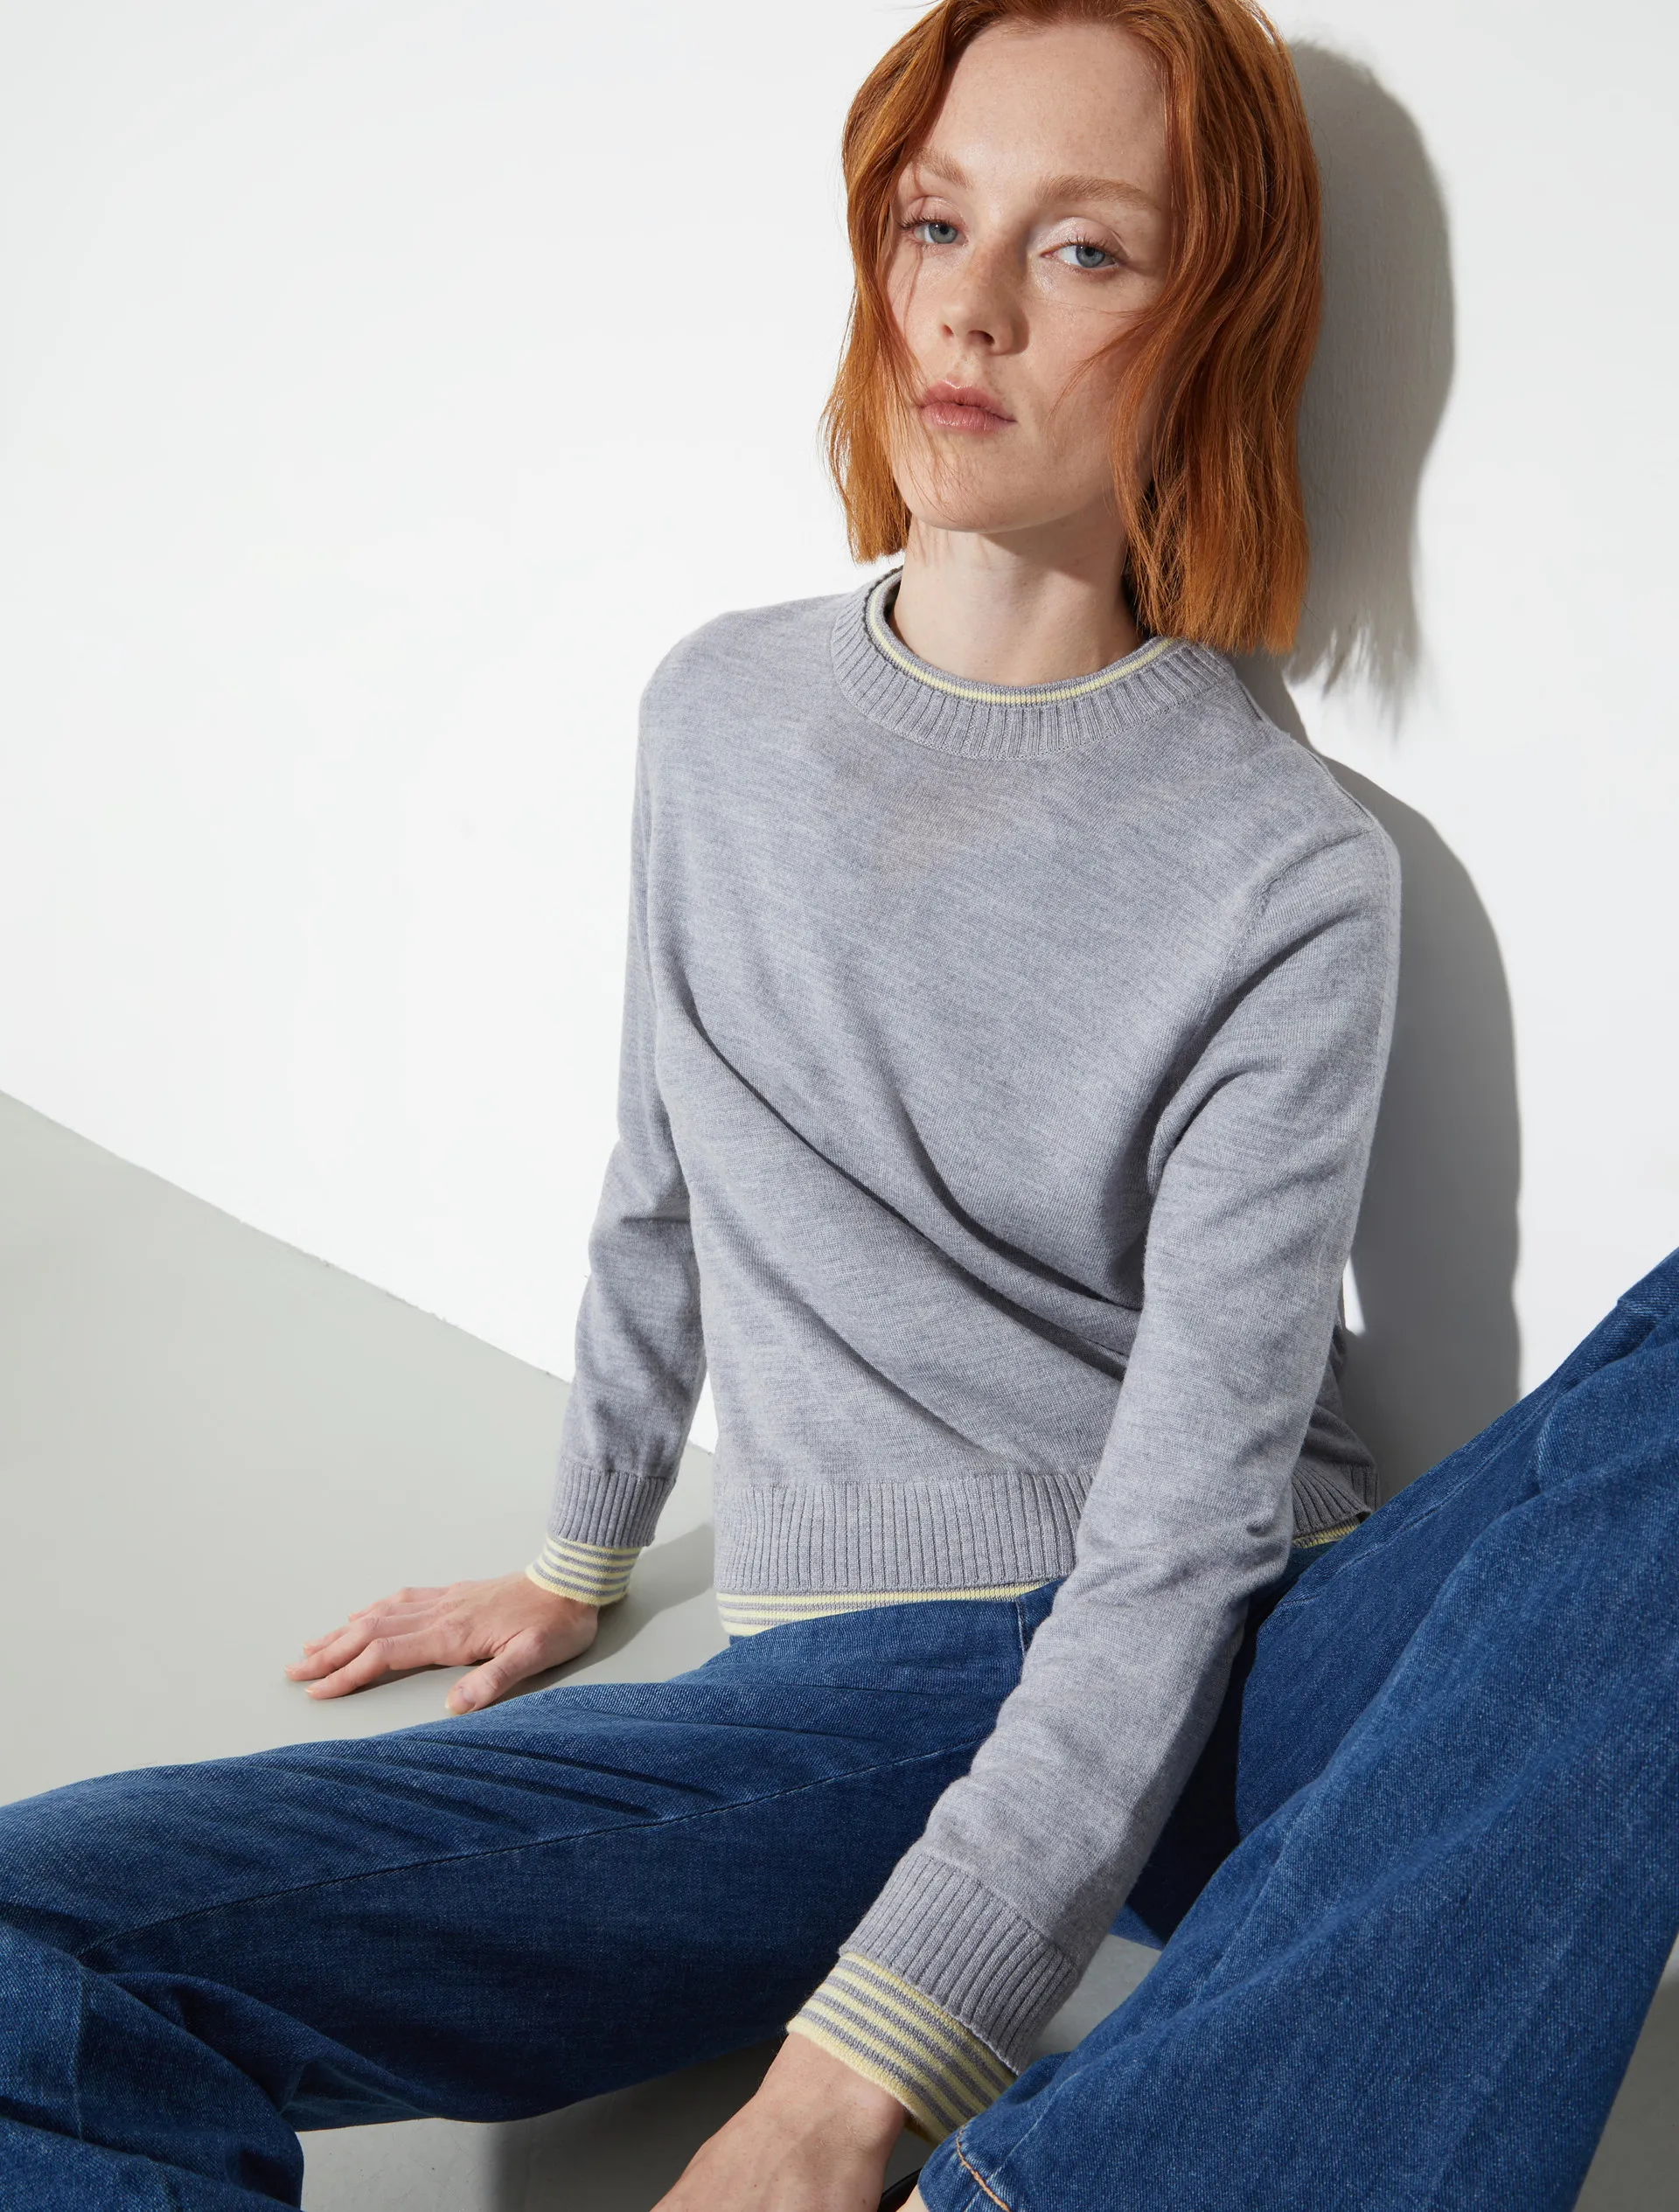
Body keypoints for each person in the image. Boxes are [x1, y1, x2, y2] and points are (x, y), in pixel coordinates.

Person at [1, 3, 1670, 2208]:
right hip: (875, 1689)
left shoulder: (1286, 870)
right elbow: (661, 1174)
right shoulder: (717, 713)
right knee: (28, 1935)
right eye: (935, 221)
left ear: (1216, 326)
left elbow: (1183, 1532)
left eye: (1085, 250)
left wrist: (841, 2087)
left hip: (1250, 1639)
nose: (970, 307)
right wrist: (578, 1557)